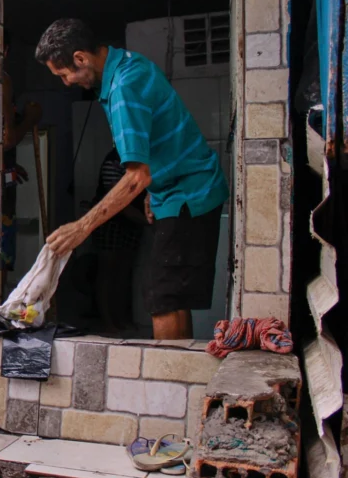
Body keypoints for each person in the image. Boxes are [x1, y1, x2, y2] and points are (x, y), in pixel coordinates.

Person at [35, 19, 228, 340]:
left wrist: (81, 227)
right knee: (170, 297)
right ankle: (179, 368)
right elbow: (158, 146)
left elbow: (136, 177)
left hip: (188, 195)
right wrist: (154, 190)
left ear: (80, 58)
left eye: (64, 74)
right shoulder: (129, 64)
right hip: (180, 190)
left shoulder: (124, 87)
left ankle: (167, 371)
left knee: (161, 298)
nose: (66, 83)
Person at [91, 147, 148, 336]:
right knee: (108, 272)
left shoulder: (140, 160)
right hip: (110, 221)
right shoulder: (113, 162)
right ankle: (108, 322)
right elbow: (118, 203)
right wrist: (147, 222)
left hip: (132, 223)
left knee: (124, 272)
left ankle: (122, 319)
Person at [0, 30, 43, 272]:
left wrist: (8, 165)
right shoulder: (1, 79)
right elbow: (6, 140)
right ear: (5, 51)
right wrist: (30, 119)